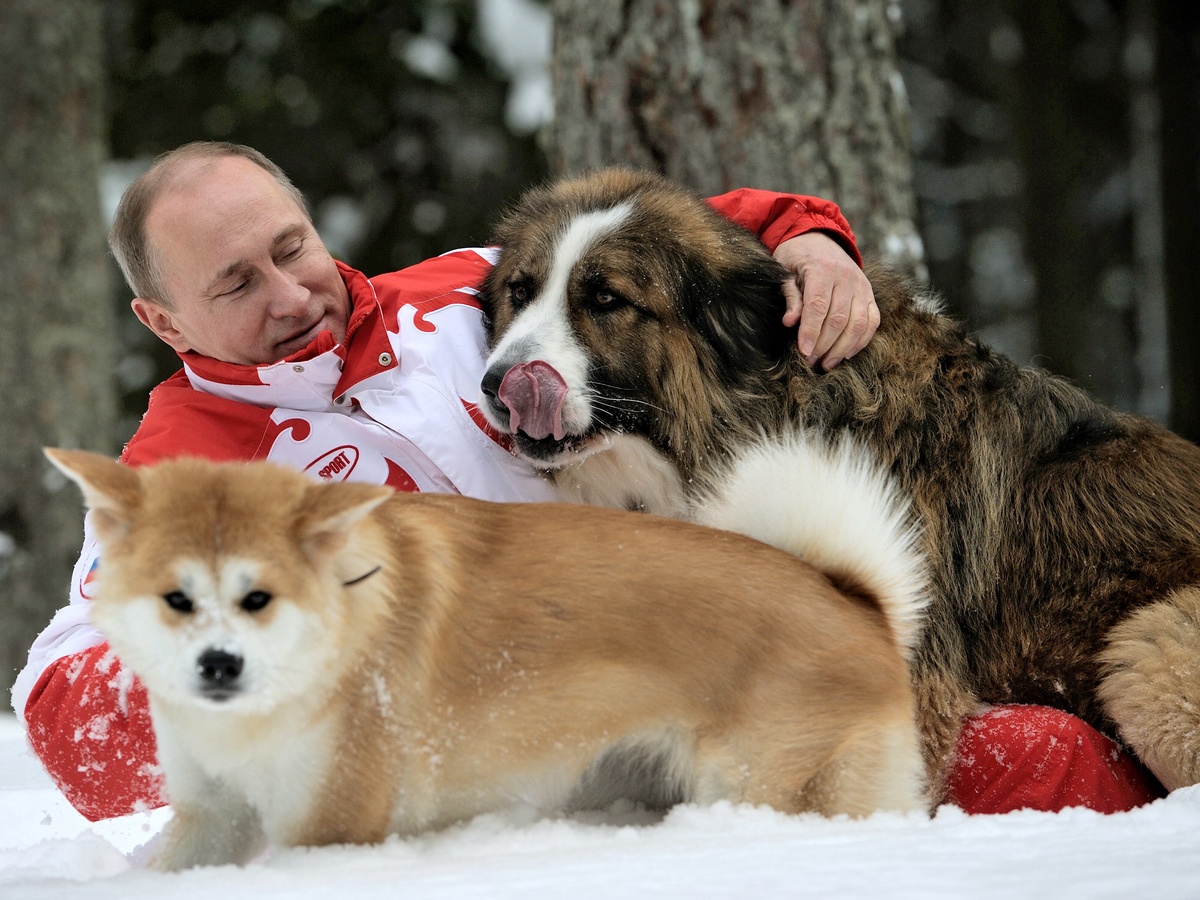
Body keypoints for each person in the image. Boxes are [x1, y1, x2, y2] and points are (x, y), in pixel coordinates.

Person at [12, 143, 1162, 822]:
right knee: (1013, 767)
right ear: (160, 320)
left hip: (725, 646)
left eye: (292, 246)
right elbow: (73, 702)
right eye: (235, 284)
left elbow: (680, 235)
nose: (293, 293)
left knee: (1050, 742)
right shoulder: (181, 465)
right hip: (553, 745)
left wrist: (812, 239)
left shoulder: (462, 293)